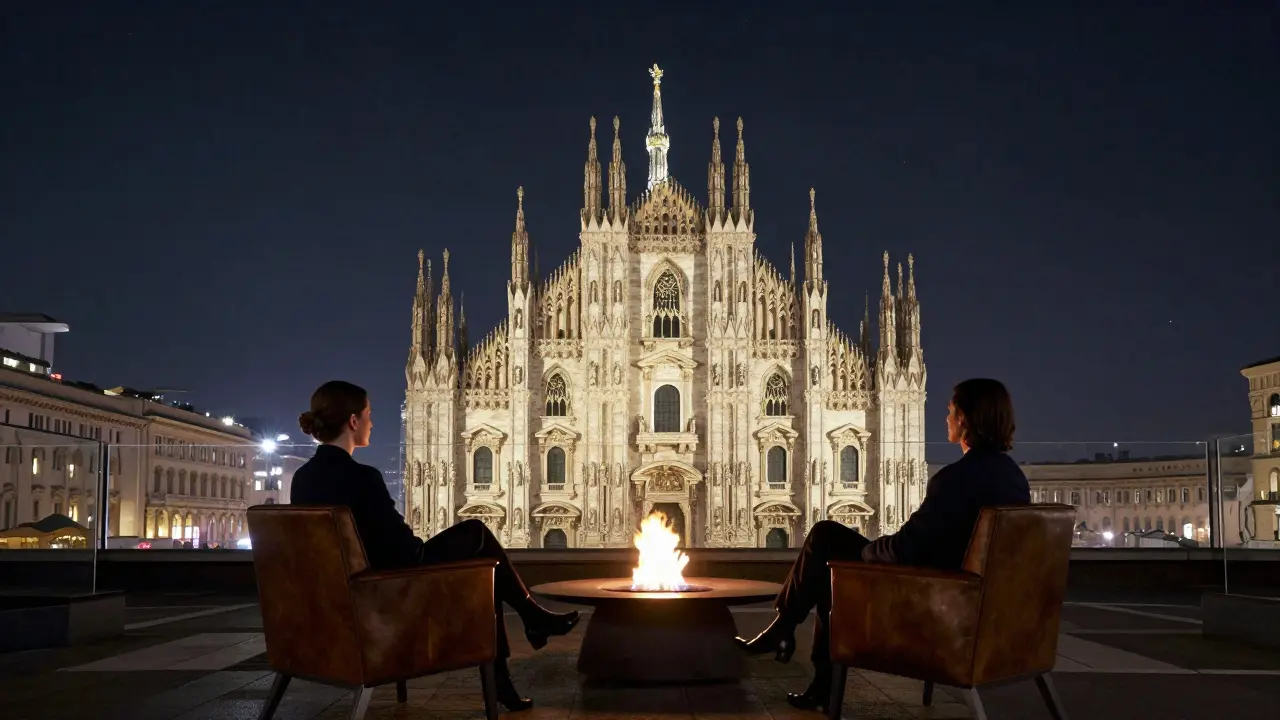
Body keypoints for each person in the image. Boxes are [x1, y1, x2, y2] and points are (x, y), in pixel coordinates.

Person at [735, 378, 1031, 712]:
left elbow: (909, 547)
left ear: (963, 419)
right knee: (830, 555)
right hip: (974, 605)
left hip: (932, 600)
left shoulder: (955, 479)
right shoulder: (1015, 479)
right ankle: (796, 646)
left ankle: (788, 634)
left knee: (826, 543)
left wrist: (866, 553)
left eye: (950, 411)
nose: (945, 418)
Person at [290, 380, 577, 712]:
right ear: (353, 422)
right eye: (368, 415)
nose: (372, 422)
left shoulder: (302, 478)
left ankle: (528, 627)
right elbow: (402, 548)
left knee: (486, 566)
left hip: (340, 602)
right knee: (478, 539)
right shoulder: (363, 477)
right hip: (386, 595)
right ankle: (528, 623)